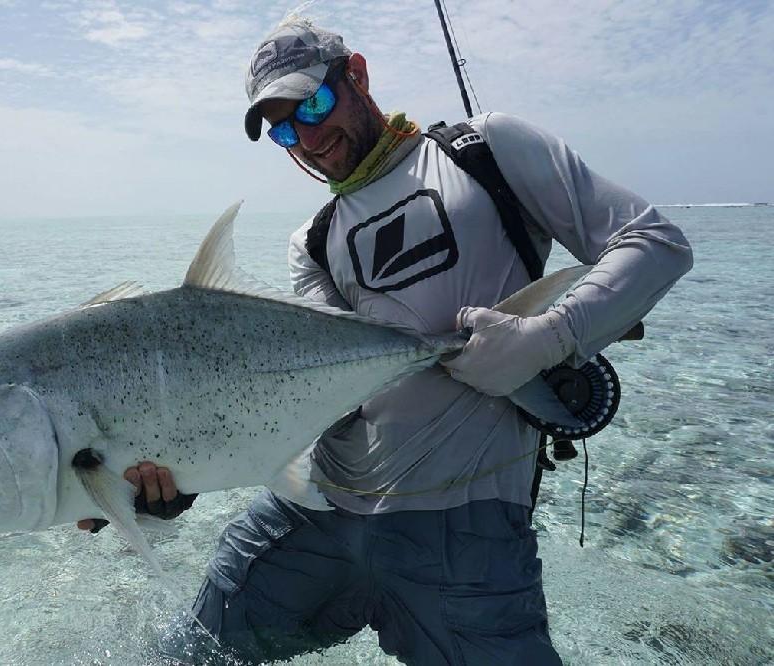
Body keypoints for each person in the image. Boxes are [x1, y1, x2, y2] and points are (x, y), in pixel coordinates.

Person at [80, 15, 693, 665]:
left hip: (466, 532)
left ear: (358, 75)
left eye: (312, 105)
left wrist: (550, 336)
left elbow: (654, 242)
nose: (309, 139)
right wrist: (175, 469)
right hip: (312, 512)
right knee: (184, 656)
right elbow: (319, 401)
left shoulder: (486, 150)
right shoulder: (313, 242)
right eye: (285, 129)